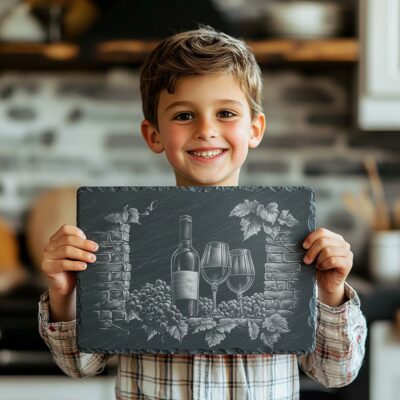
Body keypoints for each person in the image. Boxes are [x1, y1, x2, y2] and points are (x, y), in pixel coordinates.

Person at [39, 26, 367, 400]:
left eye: (225, 112)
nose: (206, 130)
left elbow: (336, 372)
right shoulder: (127, 236)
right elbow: (80, 365)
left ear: (255, 129)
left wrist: (331, 292)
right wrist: (63, 292)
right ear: (154, 135)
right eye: (183, 116)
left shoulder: (287, 243)